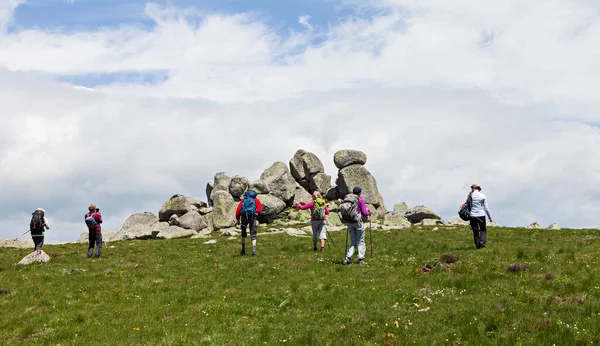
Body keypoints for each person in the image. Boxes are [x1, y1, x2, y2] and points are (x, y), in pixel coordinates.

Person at [343, 186, 371, 265]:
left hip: (350, 222)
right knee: (361, 241)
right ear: (360, 192)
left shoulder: (348, 200)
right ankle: (361, 259)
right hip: (358, 222)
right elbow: (364, 213)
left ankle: (347, 258)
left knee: (353, 241)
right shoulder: (360, 200)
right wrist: (369, 213)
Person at [235, 190, 263, 256]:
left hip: (244, 218)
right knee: (253, 235)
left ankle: (243, 250)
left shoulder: (243, 200)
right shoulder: (256, 200)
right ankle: (254, 252)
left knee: (243, 234)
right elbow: (259, 209)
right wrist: (255, 213)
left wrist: (237, 219)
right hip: (252, 218)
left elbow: (238, 210)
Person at [466, 184, 493, 249]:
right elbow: (486, 208)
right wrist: (489, 217)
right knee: (483, 230)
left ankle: (478, 246)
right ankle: (482, 241)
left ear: (473, 188)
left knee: (475, 232)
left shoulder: (470, 195)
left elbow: (467, 205)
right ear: (478, 189)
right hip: (481, 215)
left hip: (472, 215)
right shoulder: (482, 196)